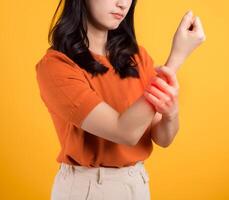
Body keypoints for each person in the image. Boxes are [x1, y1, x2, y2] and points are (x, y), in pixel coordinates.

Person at [35, 0, 205, 199]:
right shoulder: (56, 66)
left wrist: (171, 113)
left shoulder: (137, 58)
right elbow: (124, 132)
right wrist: (176, 58)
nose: (123, 3)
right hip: (88, 188)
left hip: (136, 183)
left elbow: (162, 138)